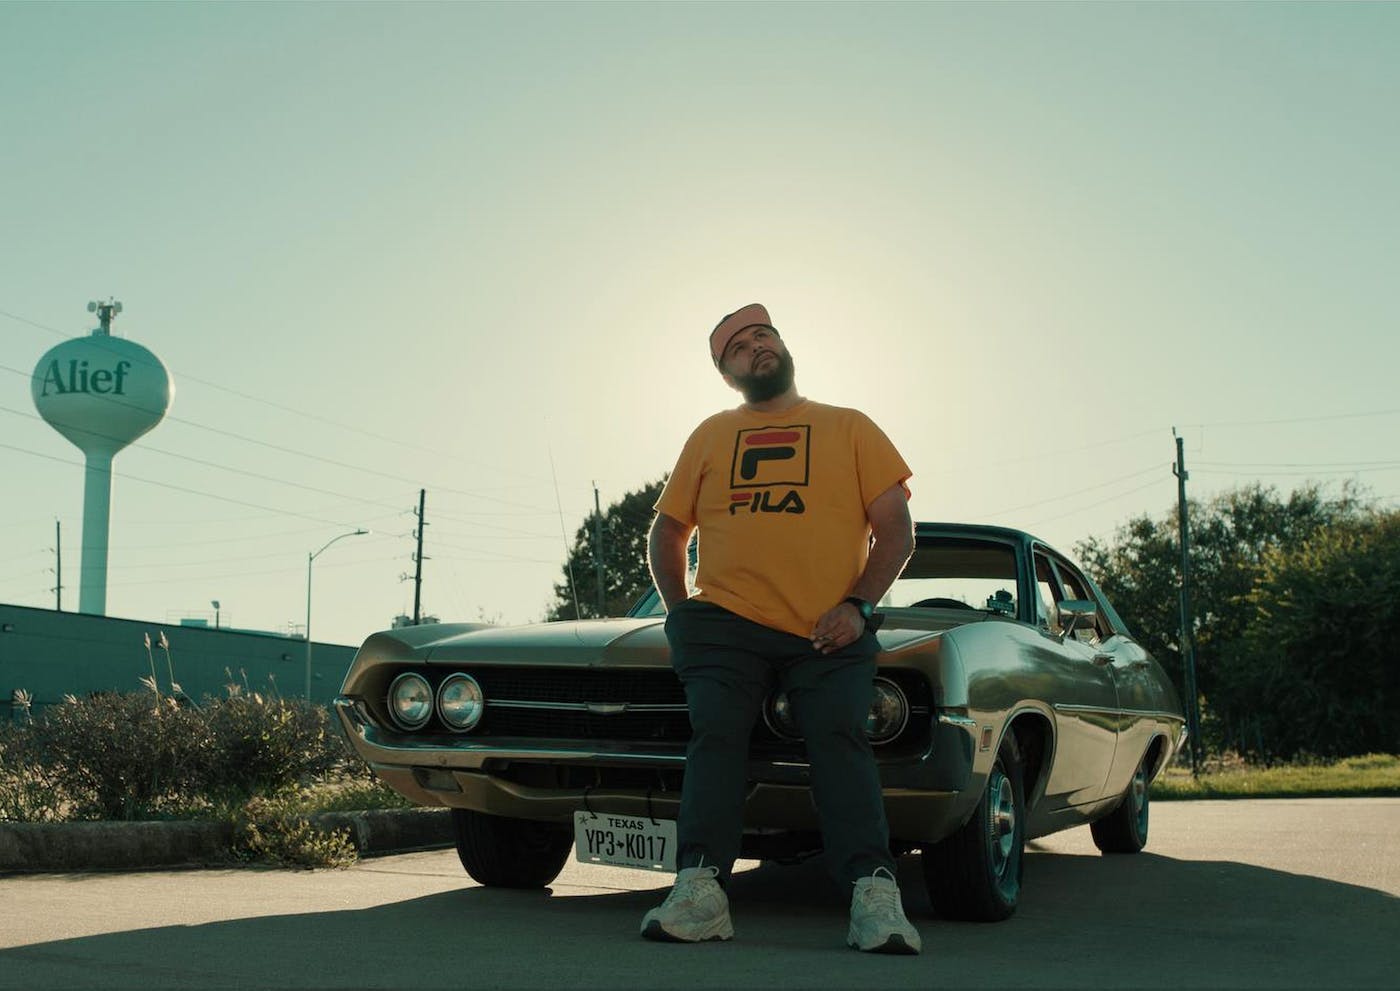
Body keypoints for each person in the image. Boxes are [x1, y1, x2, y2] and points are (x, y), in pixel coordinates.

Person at [641, 303, 921, 954]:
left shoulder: (849, 426)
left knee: (840, 735)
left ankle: (874, 894)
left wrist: (857, 606)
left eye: (762, 334)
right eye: (736, 347)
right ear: (725, 372)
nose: (754, 347)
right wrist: (679, 611)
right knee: (715, 732)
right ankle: (700, 888)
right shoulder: (710, 434)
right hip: (724, 623)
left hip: (831, 628)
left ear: (784, 344)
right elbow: (667, 531)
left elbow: (898, 529)